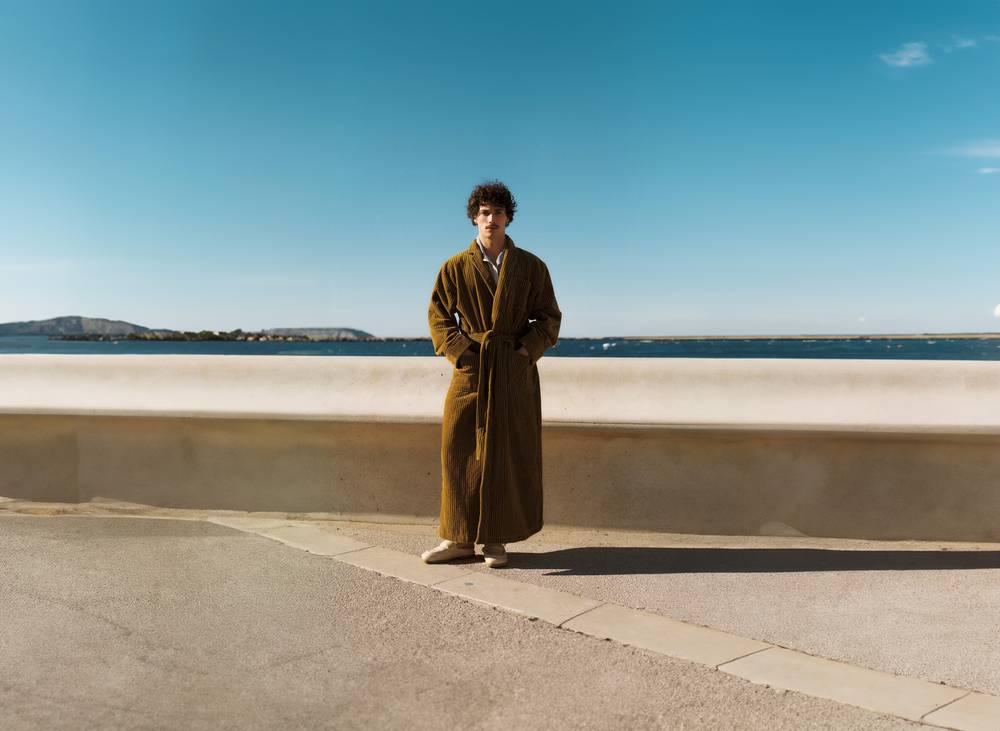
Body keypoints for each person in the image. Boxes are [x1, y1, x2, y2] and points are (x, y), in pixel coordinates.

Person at [422, 181, 561, 568]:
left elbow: (549, 318)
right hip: (471, 373)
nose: (491, 219)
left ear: (508, 218)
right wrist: (462, 352)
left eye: (498, 213)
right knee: (459, 452)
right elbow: (438, 317)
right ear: (474, 219)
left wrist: (523, 351)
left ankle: (496, 539)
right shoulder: (453, 267)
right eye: (484, 213)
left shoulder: (531, 266)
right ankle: (458, 538)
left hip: (512, 374)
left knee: (507, 455)